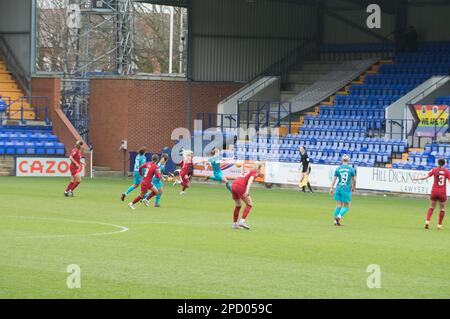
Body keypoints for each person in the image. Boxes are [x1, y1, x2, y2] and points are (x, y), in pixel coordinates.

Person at [413, 158, 450, 230]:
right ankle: (439, 225)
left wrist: (417, 178)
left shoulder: (434, 170)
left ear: (438, 163)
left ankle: (427, 221)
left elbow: (425, 177)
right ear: (444, 164)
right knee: (442, 209)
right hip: (442, 192)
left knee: (431, 207)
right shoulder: (447, 171)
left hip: (434, 191)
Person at [231, 162, 263, 230]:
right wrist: (247, 190)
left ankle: (235, 224)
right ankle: (242, 221)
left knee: (238, 205)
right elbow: (250, 181)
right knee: (249, 204)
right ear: (259, 168)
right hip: (240, 186)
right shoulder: (255, 172)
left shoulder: (249, 170)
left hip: (234, 185)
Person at [329, 154, 356, 226]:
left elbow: (334, 180)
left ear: (342, 160)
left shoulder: (338, 169)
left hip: (338, 188)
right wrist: (353, 188)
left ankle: (335, 221)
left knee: (338, 205)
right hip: (346, 189)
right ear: (348, 160)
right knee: (347, 206)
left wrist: (331, 188)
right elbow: (354, 180)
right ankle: (339, 216)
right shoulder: (351, 169)